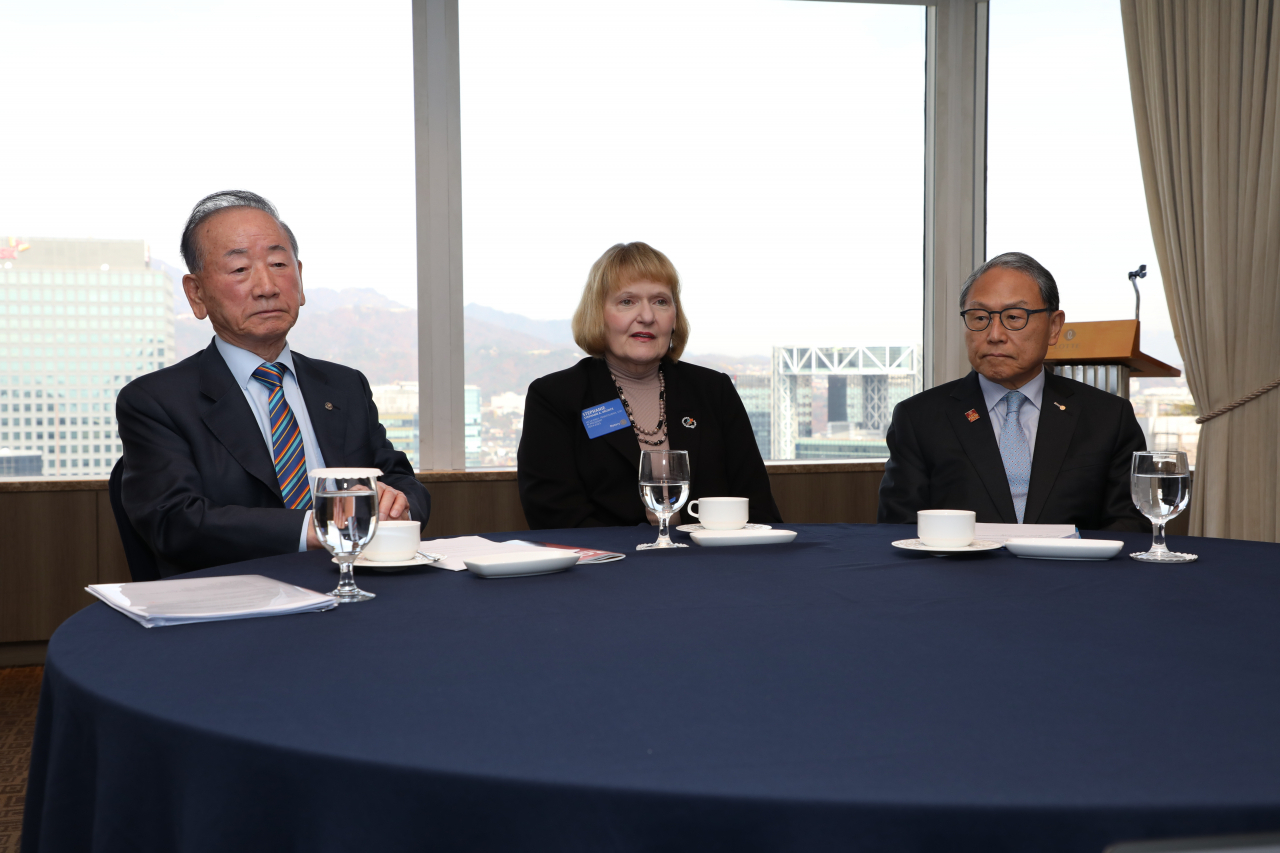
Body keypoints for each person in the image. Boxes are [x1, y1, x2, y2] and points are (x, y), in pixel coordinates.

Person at [117, 190, 430, 577]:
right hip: (234, 606)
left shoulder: (344, 386)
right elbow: (175, 522)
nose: (266, 286)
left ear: (299, 280)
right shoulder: (157, 401)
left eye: (279, 264)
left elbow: (399, 479)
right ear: (196, 294)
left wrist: (396, 503)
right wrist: (317, 527)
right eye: (239, 270)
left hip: (356, 588)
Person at [517, 242, 781, 529]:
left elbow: (757, 507)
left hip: (714, 563)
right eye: (627, 301)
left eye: (660, 301)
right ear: (598, 314)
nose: (646, 316)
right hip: (608, 567)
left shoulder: (713, 390)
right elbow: (555, 515)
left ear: (675, 317)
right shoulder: (555, 397)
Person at [877, 251, 1147, 532]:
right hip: (958, 573)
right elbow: (899, 528)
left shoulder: (1108, 417)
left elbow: (1129, 524)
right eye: (980, 317)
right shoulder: (918, 419)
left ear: (1054, 327)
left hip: (1072, 573)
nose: (995, 334)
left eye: (1014, 317)